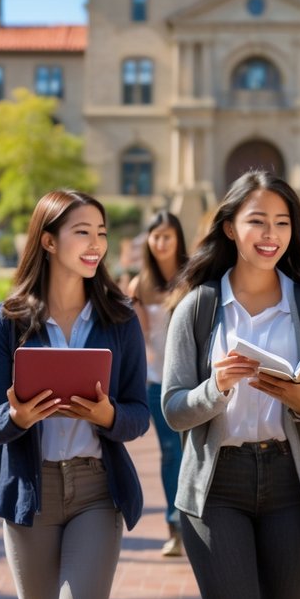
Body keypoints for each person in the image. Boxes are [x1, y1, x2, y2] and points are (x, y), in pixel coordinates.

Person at [162, 170, 300, 599]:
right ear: (231, 228)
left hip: (290, 483)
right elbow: (174, 410)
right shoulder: (197, 308)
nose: (271, 234)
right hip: (217, 487)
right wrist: (216, 387)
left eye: (282, 222)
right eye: (257, 221)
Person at [0, 189, 149, 599]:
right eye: (83, 232)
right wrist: (16, 418)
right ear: (48, 241)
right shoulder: (5, 322)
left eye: (102, 233)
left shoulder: (120, 320)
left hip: (96, 489)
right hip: (32, 492)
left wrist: (108, 415)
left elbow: (139, 413)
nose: (96, 244)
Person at [125, 211, 190, 557]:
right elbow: (142, 338)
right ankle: (175, 526)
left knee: (193, 452)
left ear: (178, 238)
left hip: (193, 382)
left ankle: (198, 522)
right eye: (155, 236)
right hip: (158, 382)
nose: (161, 242)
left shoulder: (194, 278)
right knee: (170, 453)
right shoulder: (140, 284)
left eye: (167, 235)